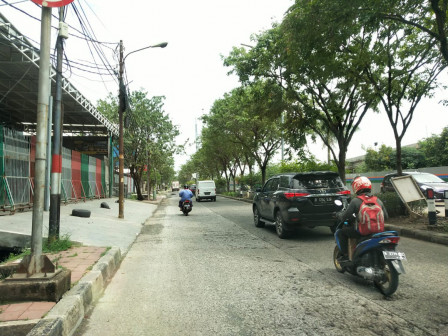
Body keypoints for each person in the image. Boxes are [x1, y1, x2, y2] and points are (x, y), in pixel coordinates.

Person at [335, 176, 389, 259]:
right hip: (379, 232)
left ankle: (345, 255)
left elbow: (345, 216)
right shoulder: (377, 200)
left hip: (363, 232)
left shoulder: (355, 201)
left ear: (356, 187)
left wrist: (338, 215)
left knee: (341, 232)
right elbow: (386, 216)